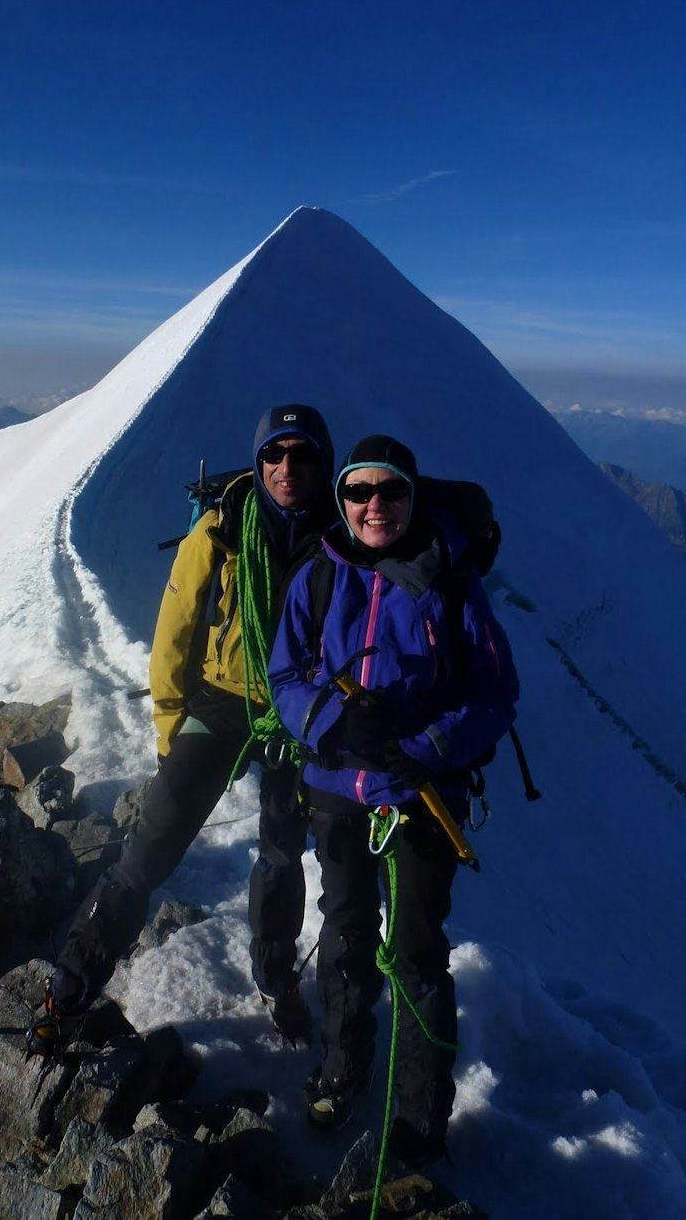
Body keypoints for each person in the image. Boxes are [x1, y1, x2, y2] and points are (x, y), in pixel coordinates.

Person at [34, 404, 336, 1051]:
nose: (287, 467)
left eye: (302, 454)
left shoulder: (340, 542)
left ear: (323, 461)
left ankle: (275, 978)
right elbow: (175, 633)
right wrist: (172, 725)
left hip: (296, 712)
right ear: (258, 463)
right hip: (223, 697)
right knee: (150, 844)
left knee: (282, 855)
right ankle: (71, 985)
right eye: (274, 454)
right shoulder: (222, 529)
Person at [268, 434, 519, 1165]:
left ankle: (419, 1114)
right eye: (358, 492)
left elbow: (495, 693)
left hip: (419, 795)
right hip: (337, 790)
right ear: (341, 500)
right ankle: (343, 1063)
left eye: (390, 491)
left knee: (415, 953)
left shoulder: (449, 580)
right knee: (345, 930)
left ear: (412, 496)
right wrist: (332, 718)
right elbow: (285, 678)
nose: (374, 505)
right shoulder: (319, 573)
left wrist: (426, 747)